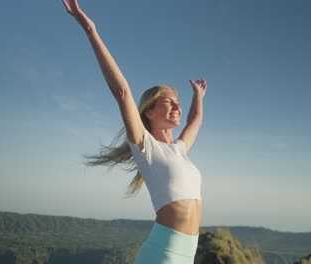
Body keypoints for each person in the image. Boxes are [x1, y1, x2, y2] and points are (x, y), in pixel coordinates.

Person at [62, 1, 207, 263]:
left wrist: (198, 96)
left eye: (178, 102)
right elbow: (122, 91)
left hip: (188, 254)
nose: (177, 106)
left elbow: (195, 121)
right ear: (149, 112)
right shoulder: (146, 147)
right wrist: (90, 28)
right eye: (168, 102)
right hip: (163, 253)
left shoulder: (180, 150)